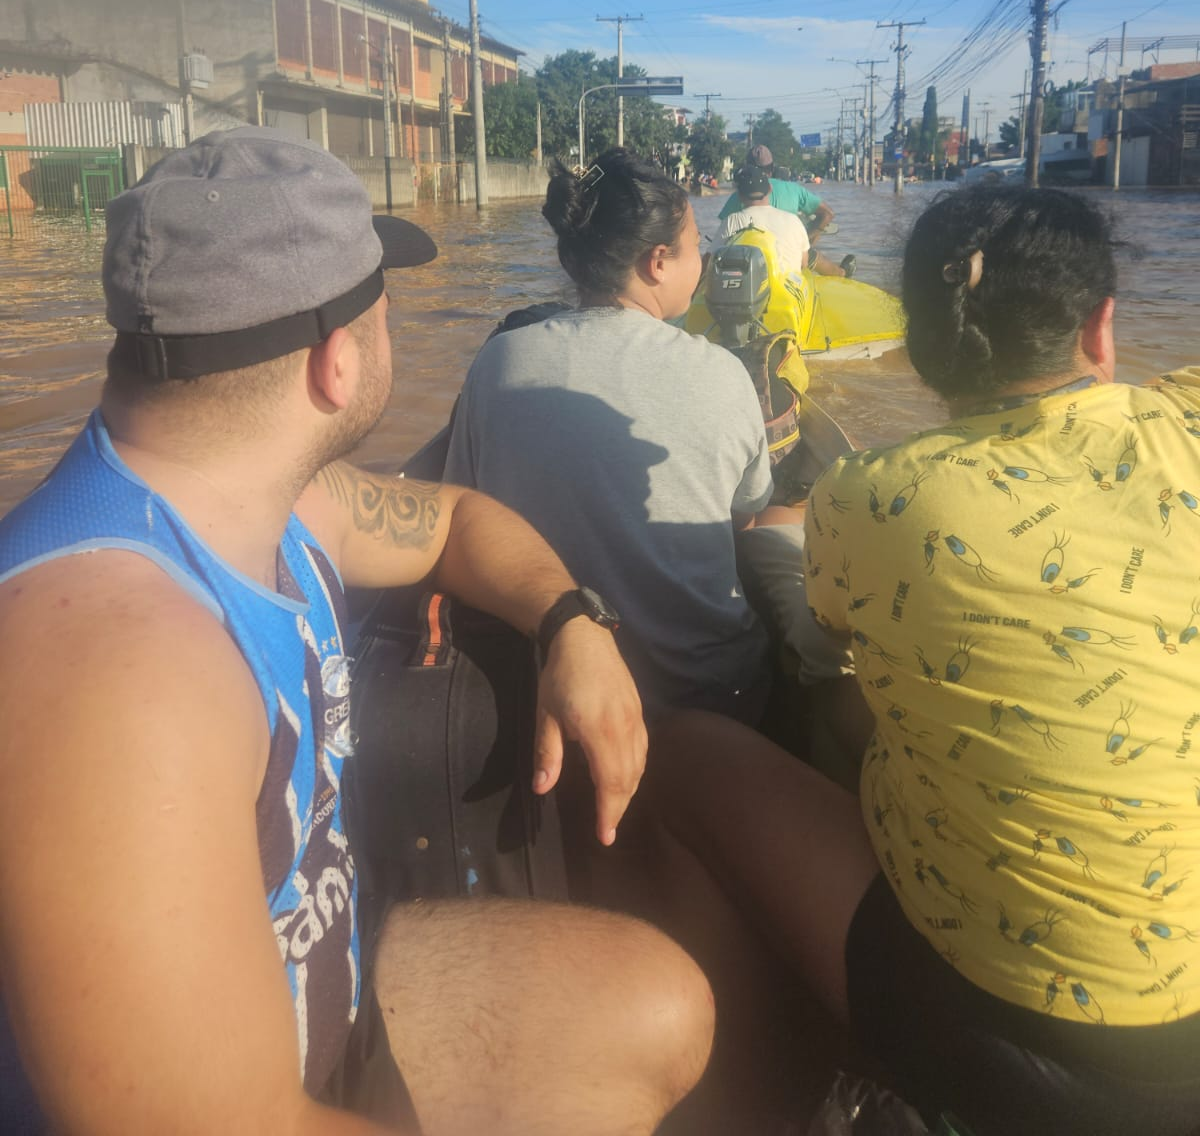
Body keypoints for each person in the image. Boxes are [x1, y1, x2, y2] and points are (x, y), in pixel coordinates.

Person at [0, 127, 714, 1136]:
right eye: (385, 303)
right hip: (258, 1090)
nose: (394, 325)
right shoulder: (121, 678)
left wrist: (569, 622)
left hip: (315, 981)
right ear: (338, 362)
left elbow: (455, 520)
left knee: (663, 1006)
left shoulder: (265, 493)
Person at [648, 185, 1200, 1136]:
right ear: (1103, 328)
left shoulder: (872, 494)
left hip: (1002, 1039)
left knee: (689, 748)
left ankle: (748, 1087)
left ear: (920, 347)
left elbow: (825, 634)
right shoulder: (1183, 427)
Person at [444, 148, 777, 723]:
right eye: (696, 245)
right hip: (707, 692)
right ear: (657, 262)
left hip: (553, 693)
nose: (704, 259)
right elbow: (742, 520)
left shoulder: (499, 360)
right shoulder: (724, 373)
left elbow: (461, 509)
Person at [718, 163, 854, 278]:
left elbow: (716, 249)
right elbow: (828, 214)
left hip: (745, 265)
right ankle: (841, 273)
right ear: (769, 189)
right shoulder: (793, 217)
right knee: (808, 254)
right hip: (787, 280)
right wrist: (806, 241)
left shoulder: (731, 219)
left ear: (740, 196)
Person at [718, 143, 835, 240]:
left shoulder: (739, 195)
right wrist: (807, 241)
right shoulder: (794, 190)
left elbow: (723, 232)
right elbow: (828, 213)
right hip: (790, 254)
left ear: (746, 169)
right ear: (772, 168)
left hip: (750, 256)